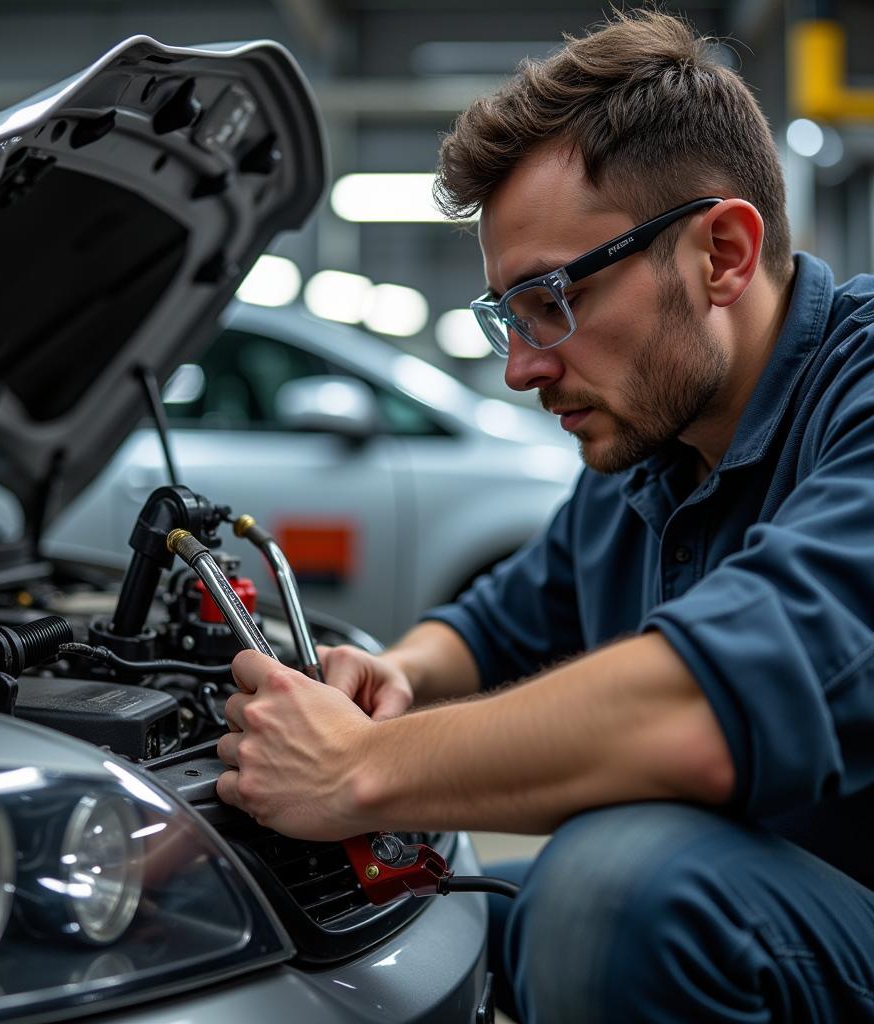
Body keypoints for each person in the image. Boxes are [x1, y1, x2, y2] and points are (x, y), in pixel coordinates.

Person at [216, 9, 874, 1022]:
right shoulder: (653, 449)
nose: (523, 367)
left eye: (552, 299)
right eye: (506, 318)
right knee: (460, 918)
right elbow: (502, 616)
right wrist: (396, 674)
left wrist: (363, 770)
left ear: (723, 254)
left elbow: (710, 710)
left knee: (610, 892)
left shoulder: (858, 395)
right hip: (796, 907)